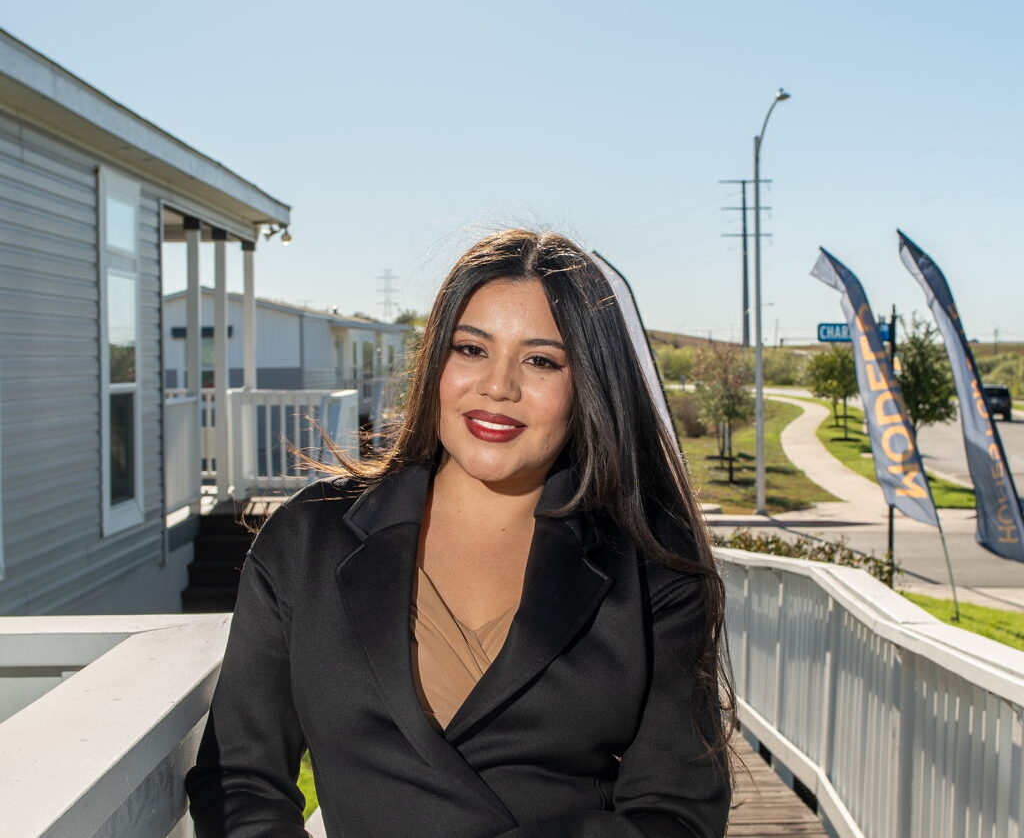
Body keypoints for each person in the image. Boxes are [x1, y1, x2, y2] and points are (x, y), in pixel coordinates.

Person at [185, 229, 735, 837]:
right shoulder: (310, 539)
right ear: (436, 365)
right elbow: (240, 778)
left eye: (541, 360)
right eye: (471, 350)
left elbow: (677, 813)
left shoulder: (651, 562)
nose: (497, 386)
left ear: (589, 389)